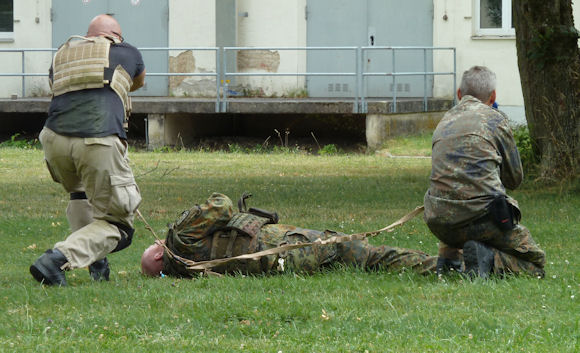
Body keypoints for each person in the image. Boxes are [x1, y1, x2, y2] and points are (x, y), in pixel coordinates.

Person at [30, 14, 146, 286]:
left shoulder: (62, 56)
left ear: (88, 35)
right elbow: (137, 82)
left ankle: (97, 264)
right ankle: (57, 258)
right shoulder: (126, 51)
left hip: (54, 139)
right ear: (116, 36)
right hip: (98, 139)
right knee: (119, 225)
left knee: (80, 194)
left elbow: (57, 87)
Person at [423, 66, 545, 279]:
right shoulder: (495, 120)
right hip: (482, 219)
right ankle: (488, 260)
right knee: (535, 264)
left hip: (438, 219)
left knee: (461, 220)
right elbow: (515, 179)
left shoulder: (444, 121)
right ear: (493, 96)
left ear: (459, 94)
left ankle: (451, 256)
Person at [141, 193, 438, 278]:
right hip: (293, 246)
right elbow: (221, 204)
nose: (158, 241)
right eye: (155, 244)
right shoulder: (178, 239)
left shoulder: (186, 268)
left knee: (361, 261)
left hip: (281, 264)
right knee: (367, 253)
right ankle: (446, 265)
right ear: (159, 254)